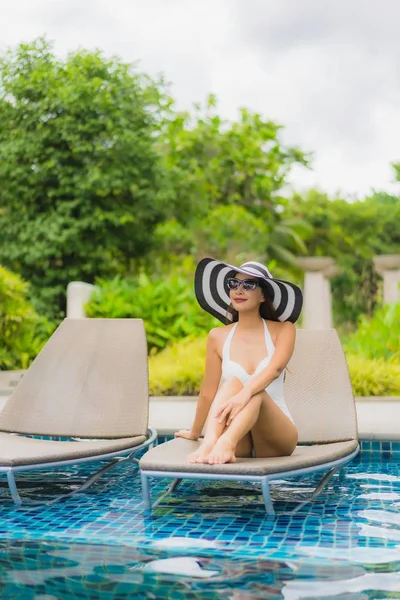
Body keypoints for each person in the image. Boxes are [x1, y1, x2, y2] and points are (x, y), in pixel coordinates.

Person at [175, 257, 303, 465]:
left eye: (249, 285)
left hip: (275, 438)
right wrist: (195, 432)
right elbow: (208, 392)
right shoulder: (217, 336)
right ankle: (210, 443)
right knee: (233, 381)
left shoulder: (284, 329)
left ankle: (224, 443)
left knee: (256, 394)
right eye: (233, 284)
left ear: (263, 295)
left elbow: (275, 369)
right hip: (239, 439)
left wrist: (244, 394)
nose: (238, 290)